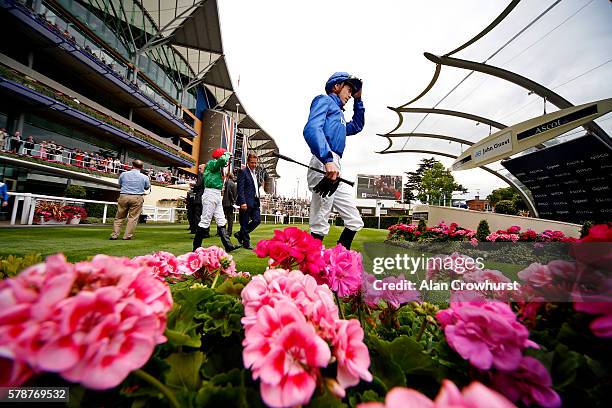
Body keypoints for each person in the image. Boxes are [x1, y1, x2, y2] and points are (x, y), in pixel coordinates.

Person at [303, 72, 365, 250]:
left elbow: (357, 126)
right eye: (348, 89)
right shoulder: (323, 100)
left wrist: (359, 101)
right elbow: (312, 128)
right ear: (336, 86)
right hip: (324, 161)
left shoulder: (339, 115)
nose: (350, 94)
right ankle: (309, 268)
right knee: (320, 219)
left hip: (334, 164)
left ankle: (340, 257)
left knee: (354, 219)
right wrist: (327, 159)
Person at [192, 149, 239, 252]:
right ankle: (196, 248)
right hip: (210, 194)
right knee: (205, 221)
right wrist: (227, 154)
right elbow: (222, 160)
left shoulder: (217, 166)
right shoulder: (212, 163)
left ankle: (228, 246)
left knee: (221, 220)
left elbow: (223, 162)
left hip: (216, 195)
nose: (228, 160)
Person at [110, 159, 150, 240]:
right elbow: (147, 187)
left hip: (124, 196)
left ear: (132, 165)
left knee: (119, 217)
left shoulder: (123, 174)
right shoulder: (144, 177)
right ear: (142, 167)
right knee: (133, 218)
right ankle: (127, 236)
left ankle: (114, 235)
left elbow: (120, 184)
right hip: (137, 197)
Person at [235, 153, 261, 250]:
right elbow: (240, 188)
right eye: (252, 163)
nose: (254, 165)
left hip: (255, 202)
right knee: (244, 223)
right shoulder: (243, 172)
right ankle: (246, 242)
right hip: (246, 202)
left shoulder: (255, 174)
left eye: (255, 163)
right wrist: (242, 202)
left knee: (257, 220)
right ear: (247, 162)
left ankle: (240, 234)